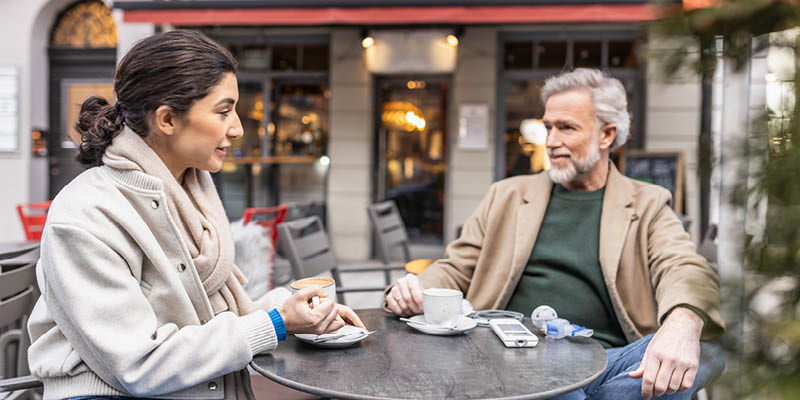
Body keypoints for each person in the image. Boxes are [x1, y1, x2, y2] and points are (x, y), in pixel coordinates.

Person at [27, 30, 363, 400]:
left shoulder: (191, 192)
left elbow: (208, 317)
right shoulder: (86, 215)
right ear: (167, 119)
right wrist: (276, 323)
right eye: (223, 111)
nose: (237, 129)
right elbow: (141, 365)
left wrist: (288, 310)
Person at [386, 68, 725, 400]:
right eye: (548, 127)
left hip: (608, 359)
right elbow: (456, 267)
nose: (550, 141)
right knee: (620, 388)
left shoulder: (647, 202)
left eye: (566, 128)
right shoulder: (507, 195)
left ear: (606, 135)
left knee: (702, 349)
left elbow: (683, 265)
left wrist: (682, 325)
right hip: (514, 354)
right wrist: (419, 287)